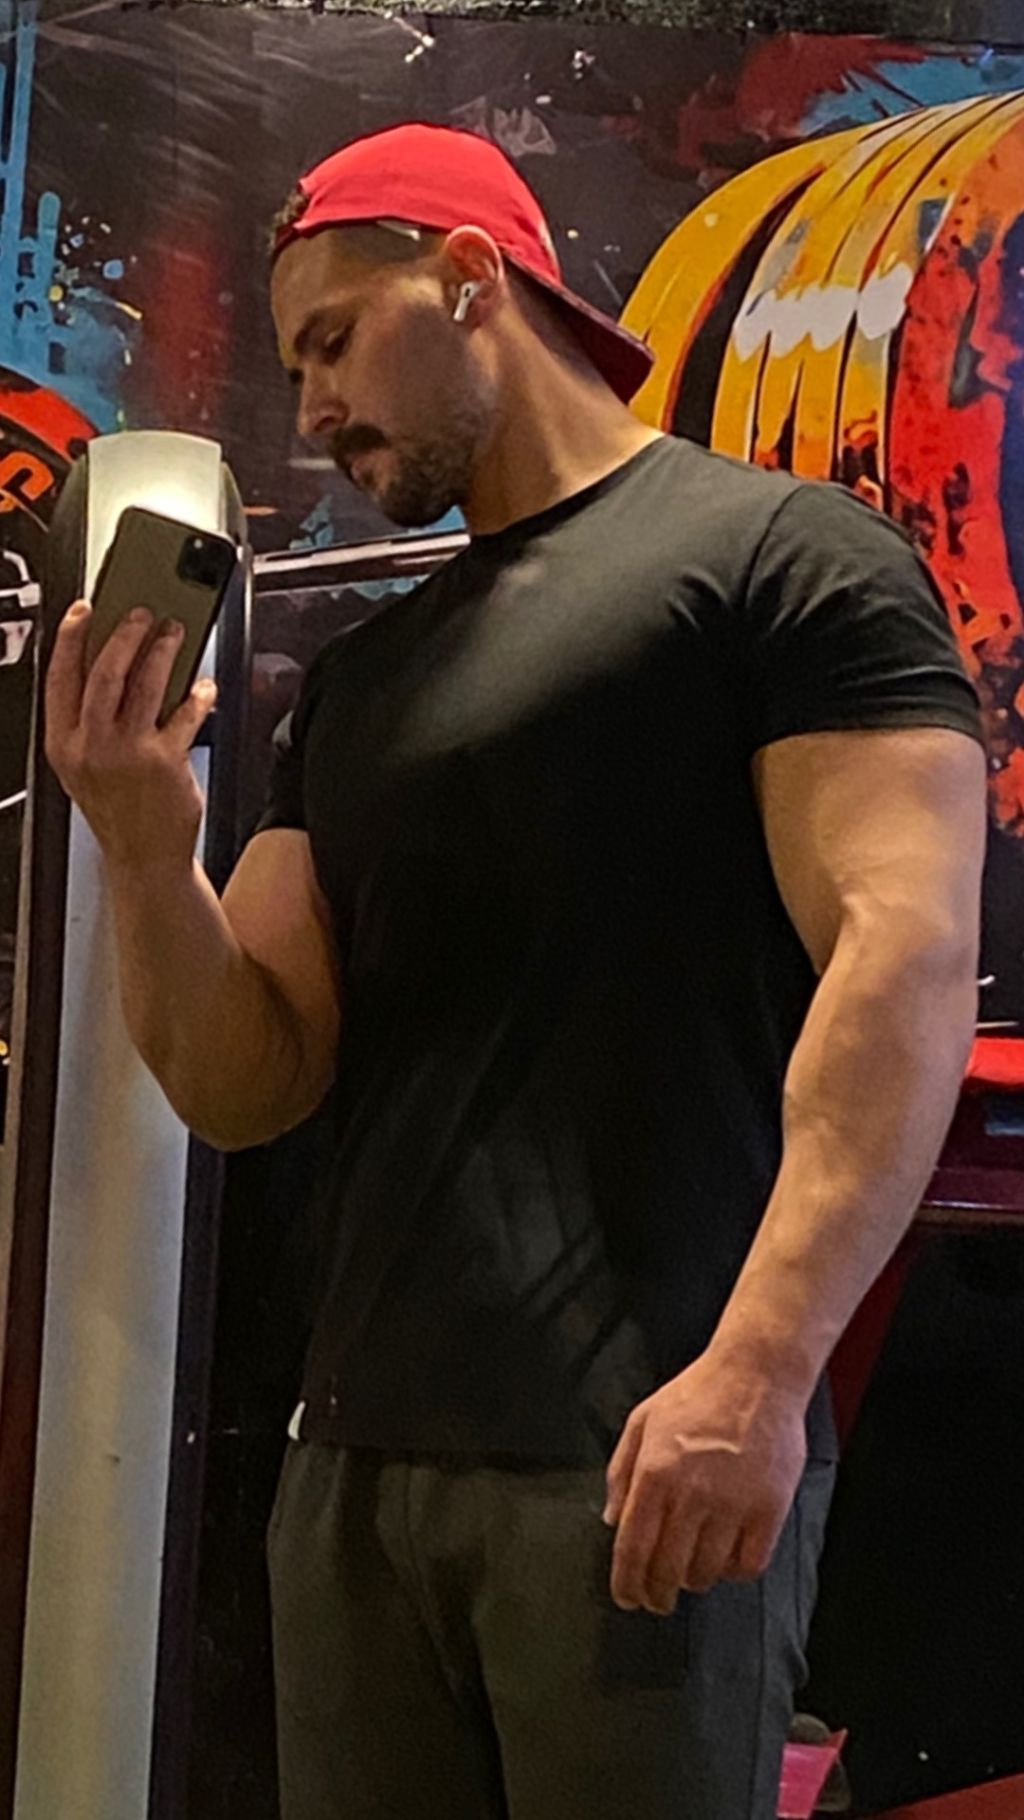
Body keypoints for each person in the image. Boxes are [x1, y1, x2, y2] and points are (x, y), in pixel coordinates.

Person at [44, 122, 987, 1820]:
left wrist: (760, 1370)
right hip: (358, 1476)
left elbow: (903, 956)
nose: (314, 410)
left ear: (471, 278)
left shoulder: (784, 563)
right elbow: (247, 1079)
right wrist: (137, 840)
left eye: (334, 342)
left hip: (642, 1459)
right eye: (298, 366)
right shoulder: (365, 680)